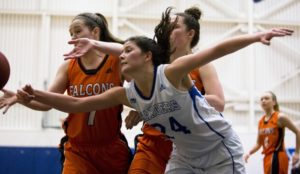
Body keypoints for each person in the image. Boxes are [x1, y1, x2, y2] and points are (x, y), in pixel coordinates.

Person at [18, 8, 293, 174]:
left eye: (127, 52)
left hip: (218, 149)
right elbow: (79, 104)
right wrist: (30, 95)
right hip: (182, 153)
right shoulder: (133, 89)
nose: (121, 57)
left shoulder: (174, 70)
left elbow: (218, 50)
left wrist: (257, 35)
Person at [0, 13, 131, 174]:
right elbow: (46, 104)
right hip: (78, 150)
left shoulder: (116, 61)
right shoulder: (68, 67)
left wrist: (95, 44)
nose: (73, 36)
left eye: (77, 31)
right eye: (71, 33)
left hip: (111, 148)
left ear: (95, 32)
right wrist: (20, 99)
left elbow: (131, 51)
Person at [125, 7, 225, 174]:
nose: (167, 30)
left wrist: (178, 100)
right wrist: (141, 109)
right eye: (167, 26)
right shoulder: (155, 64)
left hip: (187, 147)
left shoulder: (202, 65)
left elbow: (219, 103)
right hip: (152, 145)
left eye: (174, 26)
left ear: (190, 34)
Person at [244, 91, 300, 174]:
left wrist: (296, 153)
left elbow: (297, 131)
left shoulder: (280, 117)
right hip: (267, 158)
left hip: (277, 157)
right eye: (261, 99)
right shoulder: (261, 121)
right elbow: (259, 144)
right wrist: (249, 153)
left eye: (266, 98)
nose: (263, 100)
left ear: (274, 102)